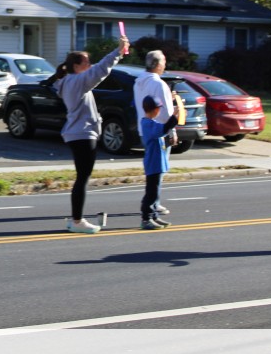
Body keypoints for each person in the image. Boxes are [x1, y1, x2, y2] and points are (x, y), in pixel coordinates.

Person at [48, 35, 131, 234]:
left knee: (82, 177)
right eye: (86, 62)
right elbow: (100, 69)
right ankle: (77, 221)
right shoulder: (78, 81)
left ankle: (76, 219)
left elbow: (95, 69)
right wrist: (118, 51)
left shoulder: (68, 81)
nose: (90, 64)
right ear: (77, 66)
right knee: (82, 178)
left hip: (77, 133)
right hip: (83, 134)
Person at [133, 50, 175, 218]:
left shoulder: (138, 82)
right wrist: (172, 130)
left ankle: (151, 204)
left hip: (144, 128)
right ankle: (153, 204)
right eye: (163, 62)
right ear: (157, 64)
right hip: (159, 130)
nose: (165, 65)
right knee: (158, 170)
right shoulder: (159, 84)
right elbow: (166, 111)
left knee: (152, 169)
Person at [139, 95, 182, 230]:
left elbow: (163, 131)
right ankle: (146, 218)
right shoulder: (147, 124)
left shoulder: (152, 123)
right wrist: (175, 116)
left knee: (155, 192)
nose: (159, 111)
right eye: (159, 108)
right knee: (151, 193)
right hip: (153, 164)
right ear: (155, 109)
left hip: (157, 164)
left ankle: (154, 216)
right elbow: (164, 128)